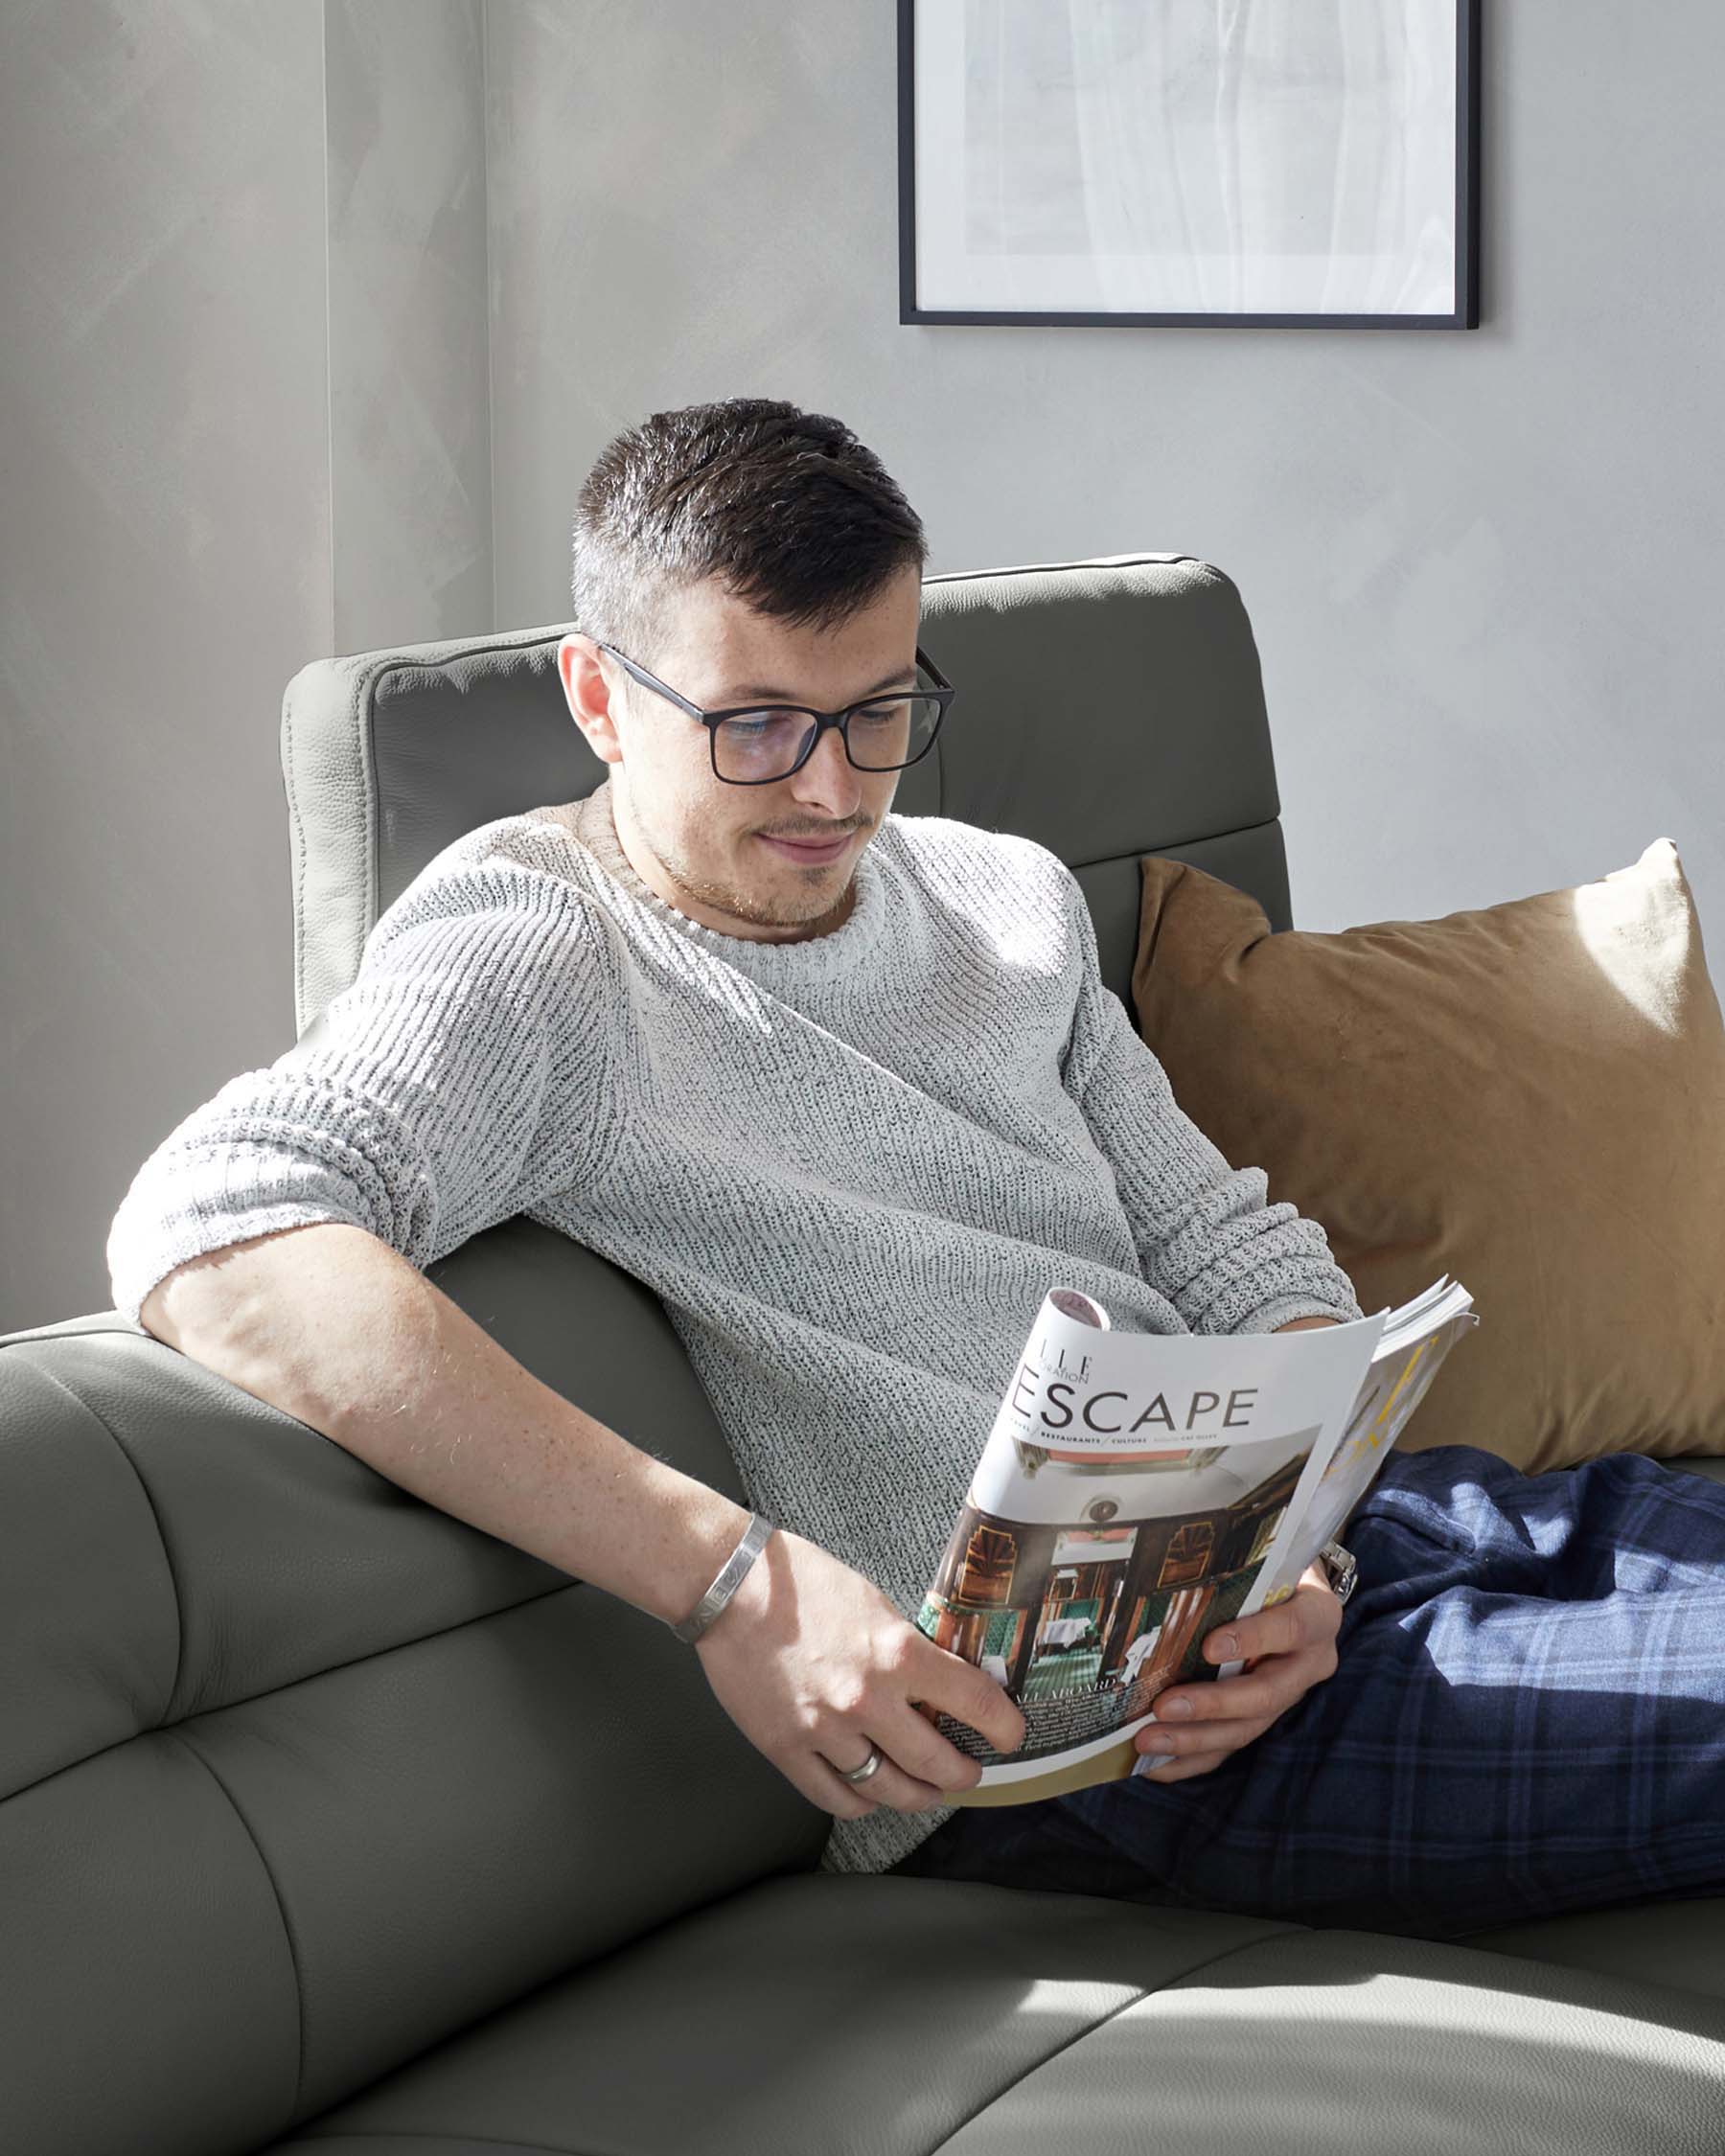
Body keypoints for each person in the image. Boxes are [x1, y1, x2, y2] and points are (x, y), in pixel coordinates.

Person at [107, 397, 1725, 1938]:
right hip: (1087, 1751)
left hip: (1359, 1556)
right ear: (600, 699)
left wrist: (1307, 1552)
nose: (832, 789)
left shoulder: (1001, 897)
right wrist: (730, 1580)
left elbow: (1233, 1247)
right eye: (754, 727)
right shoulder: (539, 951)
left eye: (878, 709)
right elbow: (220, 1217)